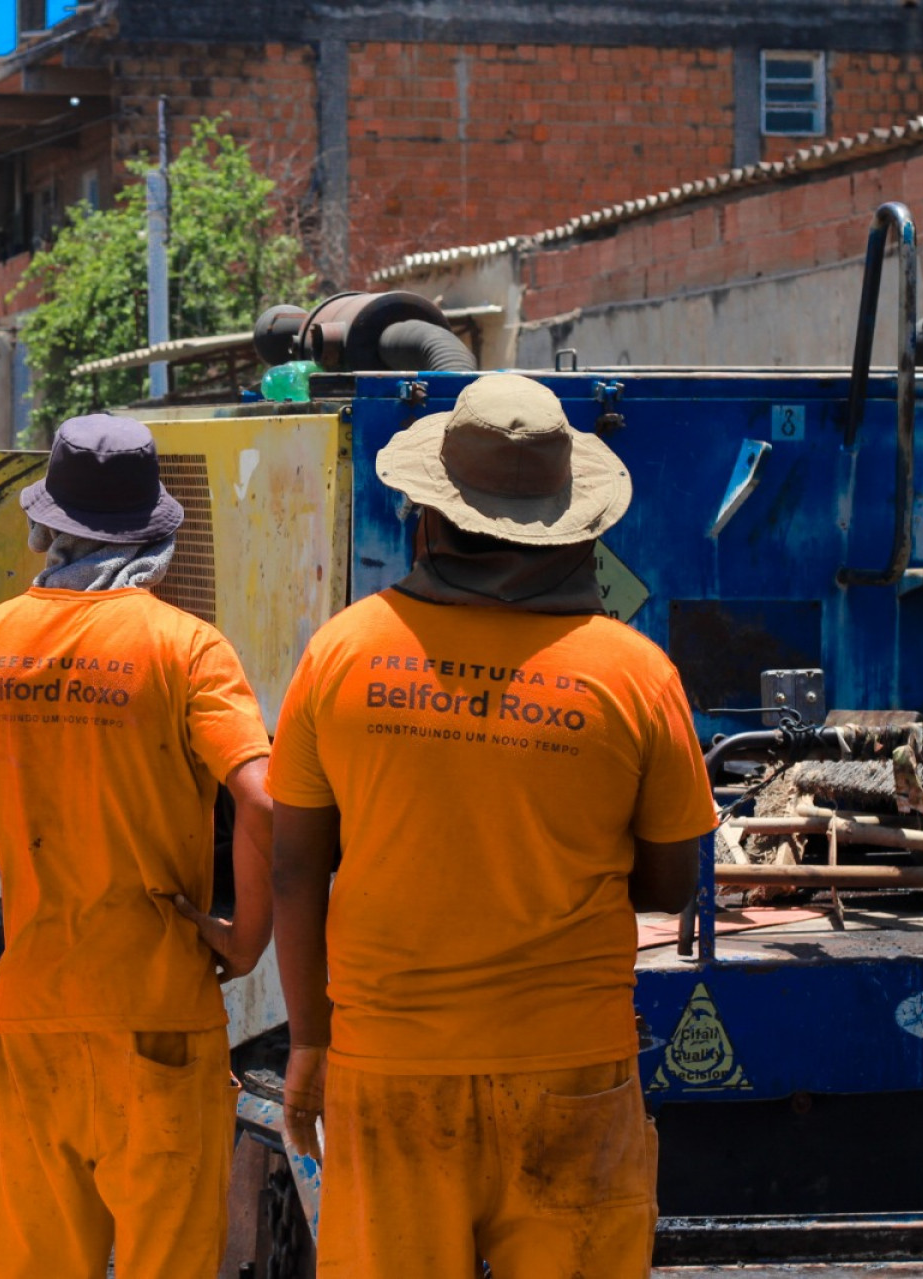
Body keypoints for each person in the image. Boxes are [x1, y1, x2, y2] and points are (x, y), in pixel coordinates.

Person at [268, 374, 716, 1277]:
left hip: (391, 1070)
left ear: (430, 518)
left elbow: (296, 871)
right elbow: (672, 886)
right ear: (574, 528)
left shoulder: (342, 652)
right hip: (572, 1074)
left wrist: (309, 1039)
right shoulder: (636, 674)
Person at [0, 414, 275, 1279]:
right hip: (160, 1009)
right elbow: (262, 798)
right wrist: (248, 936)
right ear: (154, 536)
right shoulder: (187, 647)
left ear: (45, 529)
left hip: (37, 1007)